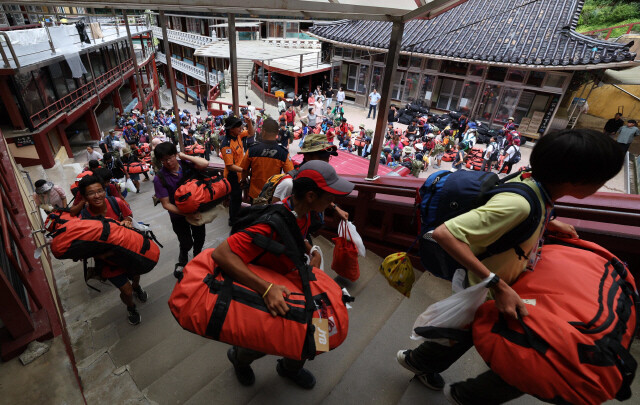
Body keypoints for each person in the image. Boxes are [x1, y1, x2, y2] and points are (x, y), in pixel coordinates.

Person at [396, 128, 625, 404]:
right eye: (600, 180)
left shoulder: (533, 179)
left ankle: (421, 364)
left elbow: (513, 204)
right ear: (575, 180)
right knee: (533, 356)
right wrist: (497, 284)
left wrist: (549, 222)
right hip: (484, 286)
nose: (600, 186)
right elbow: (445, 234)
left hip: (498, 283)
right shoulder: (519, 206)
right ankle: (463, 393)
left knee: (466, 333)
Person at [214, 160, 354, 389]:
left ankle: (290, 367)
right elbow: (221, 254)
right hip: (267, 286)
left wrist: (311, 250)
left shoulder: (303, 211)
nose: (333, 201)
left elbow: (295, 235)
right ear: (310, 195)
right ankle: (239, 358)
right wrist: (266, 289)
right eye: (329, 195)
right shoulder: (270, 224)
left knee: (311, 334)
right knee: (261, 342)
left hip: (293, 281)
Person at [76, 175, 147, 325]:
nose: (97, 196)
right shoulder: (84, 217)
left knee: (135, 277)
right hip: (107, 261)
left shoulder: (117, 202)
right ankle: (131, 307)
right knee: (126, 291)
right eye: (91, 193)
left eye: (100, 191)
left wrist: (127, 222)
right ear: (84, 197)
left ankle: (137, 287)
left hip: (129, 253)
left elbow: (129, 216)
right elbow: (87, 244)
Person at [153, 142, 210, 269]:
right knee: (186, 242)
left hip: (197, 210)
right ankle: (183, 252)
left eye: (170, 158)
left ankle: (197, 256)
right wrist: (187, 214)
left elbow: (205, 164)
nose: (167, 162)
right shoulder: (160, 178)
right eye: (163, 160)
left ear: (175, 155)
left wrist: (185, 157)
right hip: (178, 216)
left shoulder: (186, 165)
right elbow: (166, 204)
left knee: (200, 238)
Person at [240, 118, 295, 203]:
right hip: (272, 195)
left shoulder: (252, 150)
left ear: (263, 131)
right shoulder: (283, 153)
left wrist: (244, 180)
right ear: (277, 133)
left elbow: (244, 170)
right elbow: (290, 173)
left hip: (254, 194)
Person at [221, 115, 255, 226]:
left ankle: (236, 216)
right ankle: (233, 220)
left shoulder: (238, 136)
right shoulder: (226, 145)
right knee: (235, 198)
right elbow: (230, 166)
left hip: (240, 172)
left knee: (238, 197)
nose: (241, 129)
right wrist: (245, 171)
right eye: (239, 127)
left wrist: (249, 122)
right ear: (231, 129)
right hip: (233, 175)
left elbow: (251, 133)